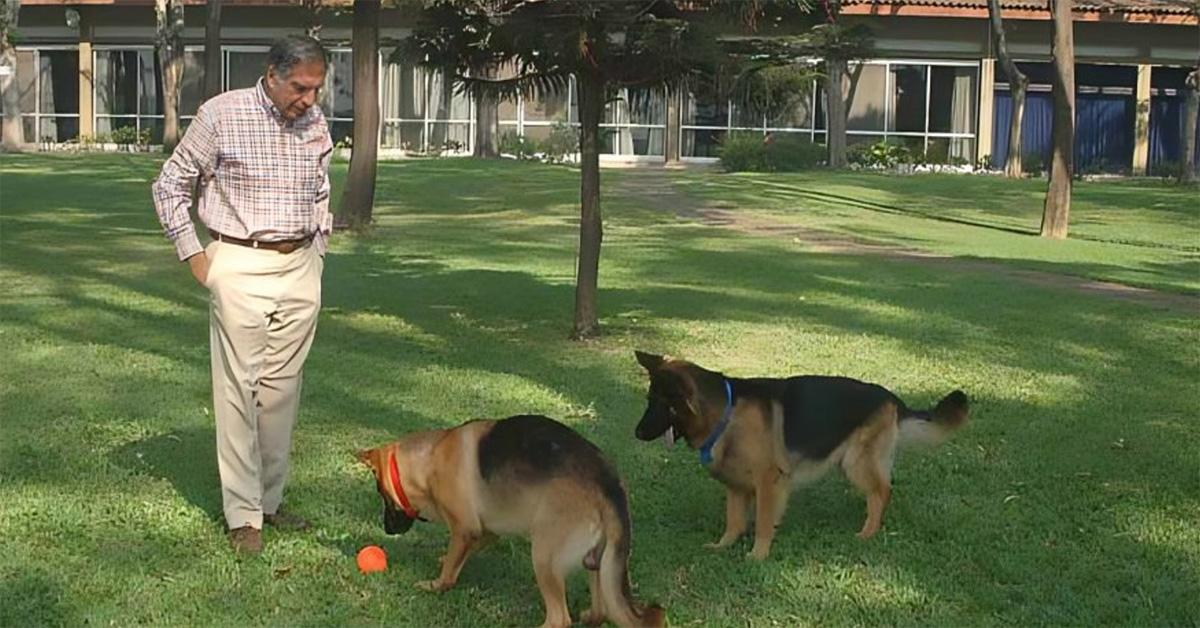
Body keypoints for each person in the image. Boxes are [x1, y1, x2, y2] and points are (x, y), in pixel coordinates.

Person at [151, 35, 333, 555]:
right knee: (238, 391)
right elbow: (169, 185)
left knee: (281, 393)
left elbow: (321, 189)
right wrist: (198, 258)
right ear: (273, 74)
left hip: (300, 265)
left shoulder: (314, 122)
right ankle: (243, 516)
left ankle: (269, 504)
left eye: (316, 89)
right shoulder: (220, 115)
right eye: (300, 88)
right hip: (239, 261)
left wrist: (318, 251)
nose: (309, 100)